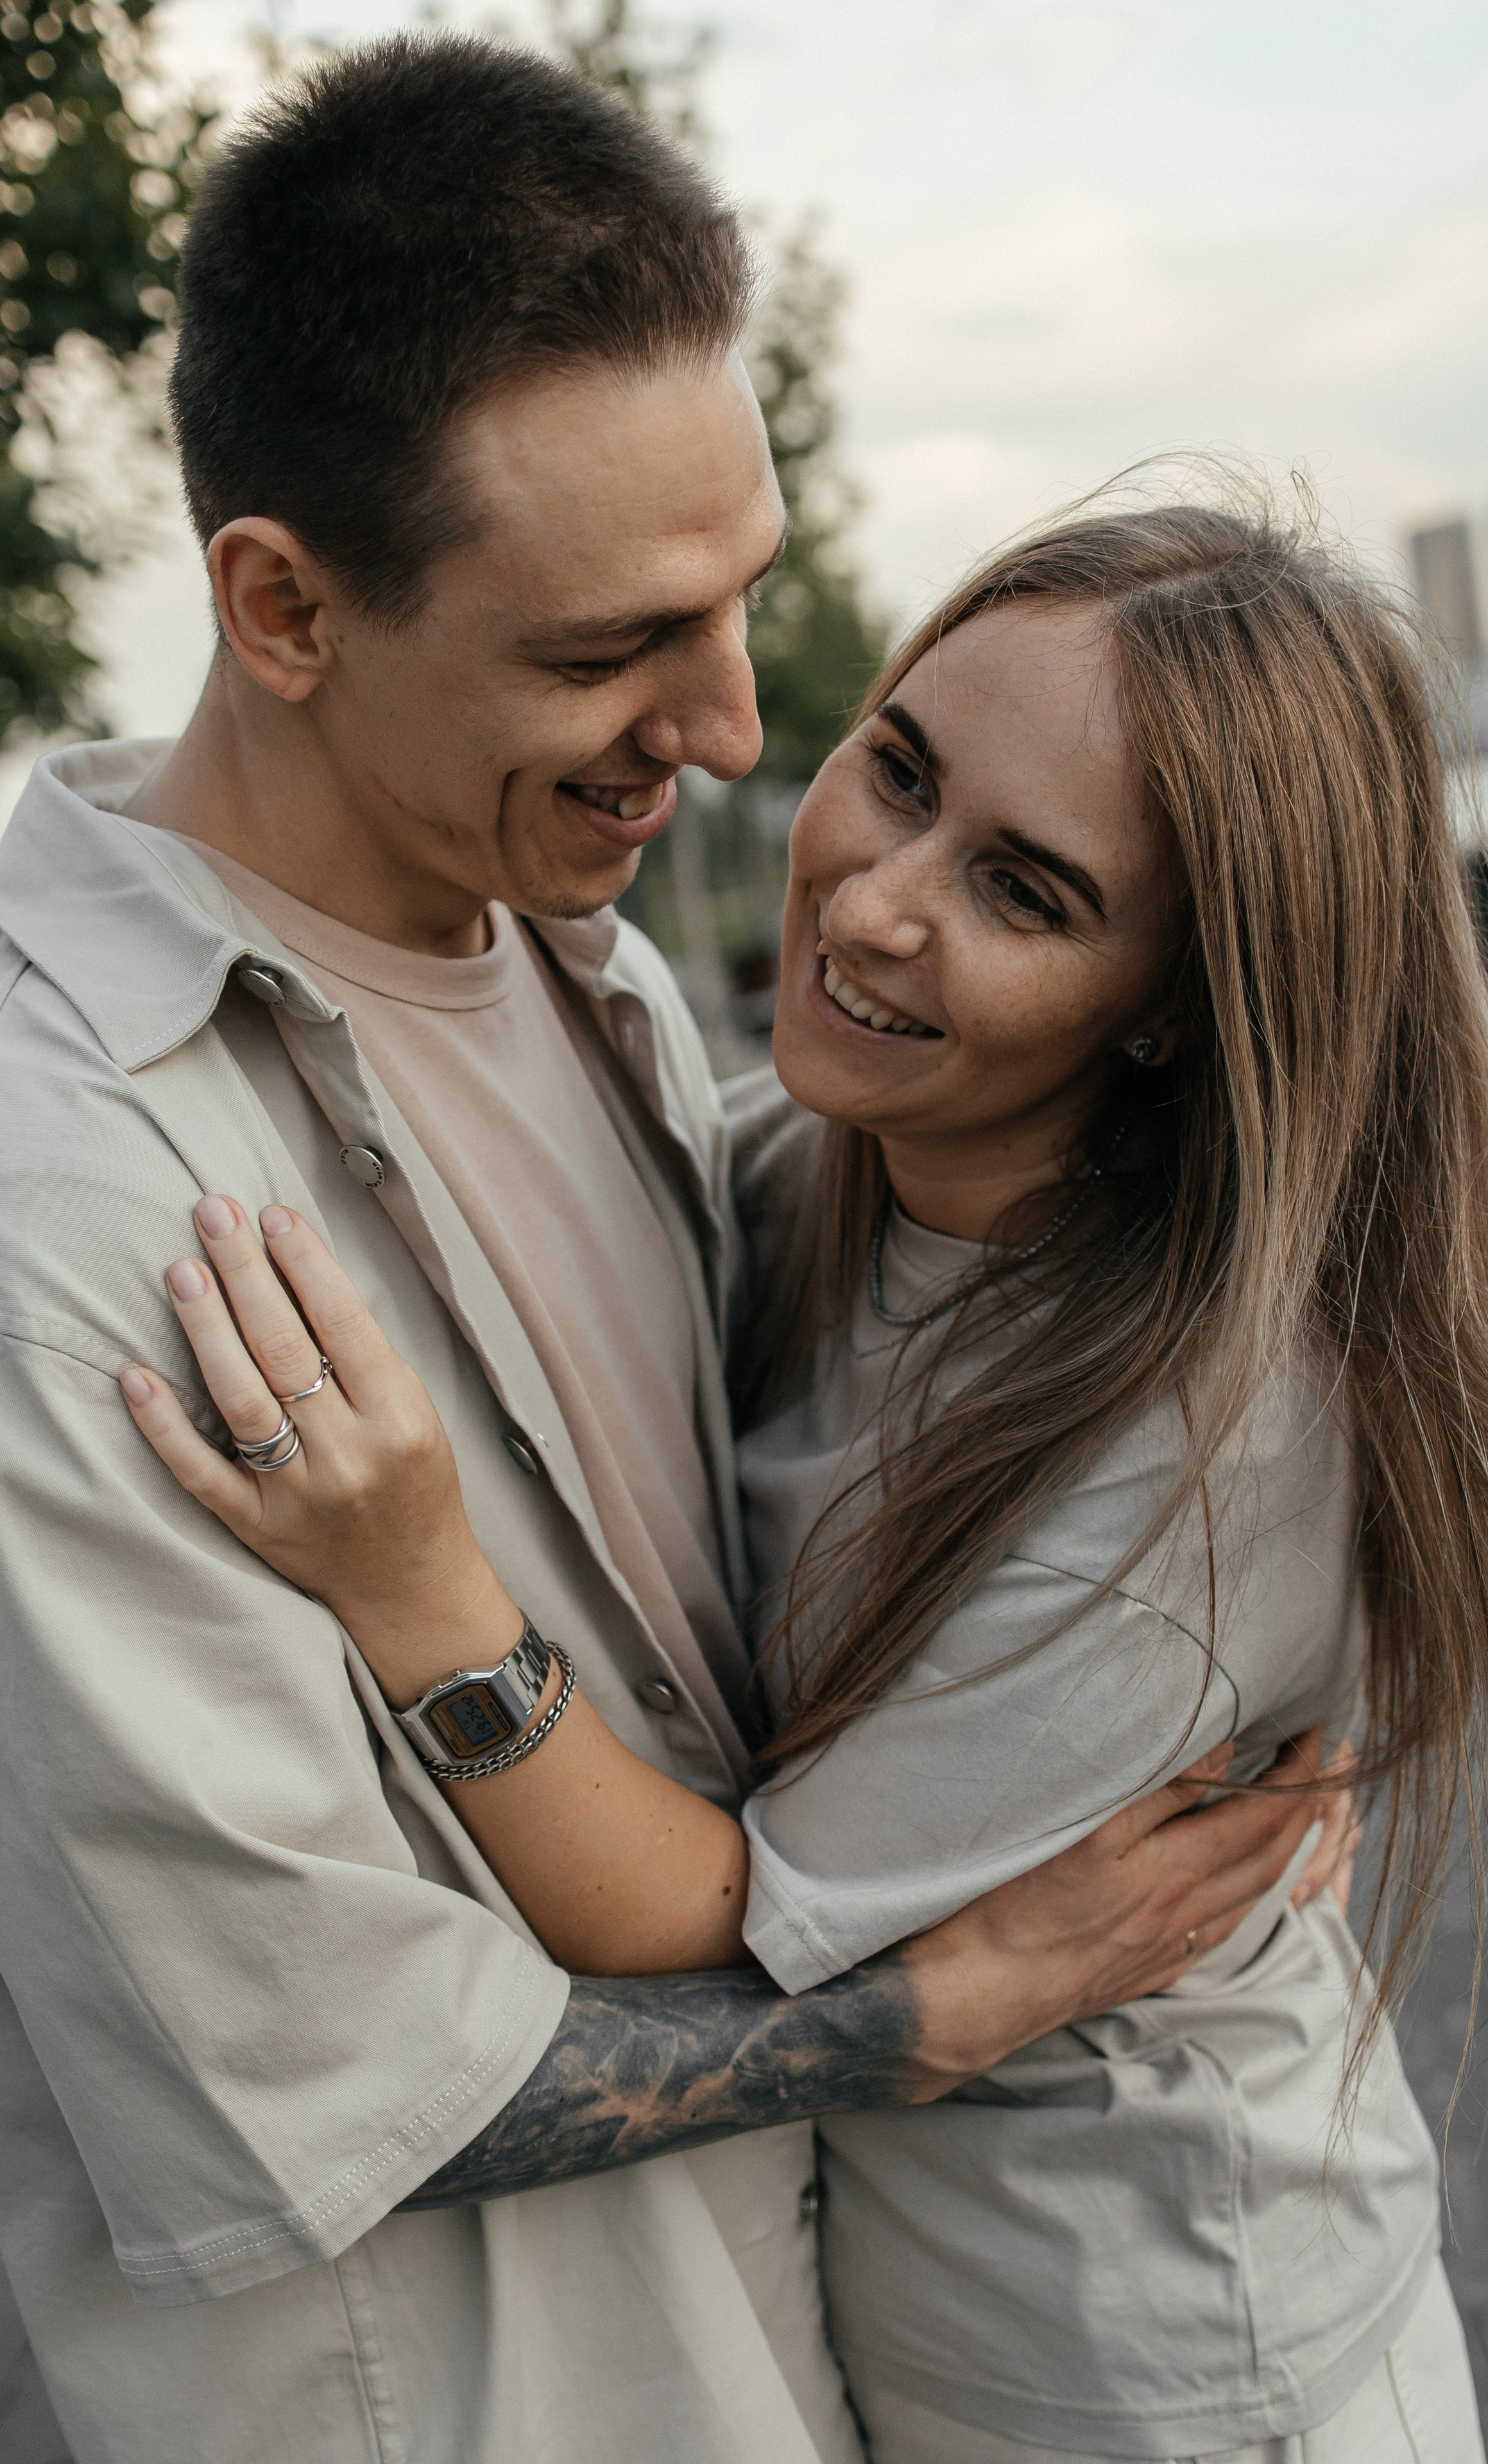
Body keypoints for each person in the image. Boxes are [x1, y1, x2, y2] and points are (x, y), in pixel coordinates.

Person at [0, 42, 1334, 2464]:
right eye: (610, 647)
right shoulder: (58, 1194)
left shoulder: (594, 977)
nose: (729, 729)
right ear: (282, 606)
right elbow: (310, 2071)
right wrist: (933, 2004)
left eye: (740, 598)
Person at [130, 497, 1488, 2463]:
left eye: (1026, 891)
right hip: (926, 2340)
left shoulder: (1206, 1444)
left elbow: (716, 1921)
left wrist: (420, 1590)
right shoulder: (801, 1169)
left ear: (1180, 1005)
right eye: (901, 772)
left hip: (1175, 2372)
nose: (869, 904)